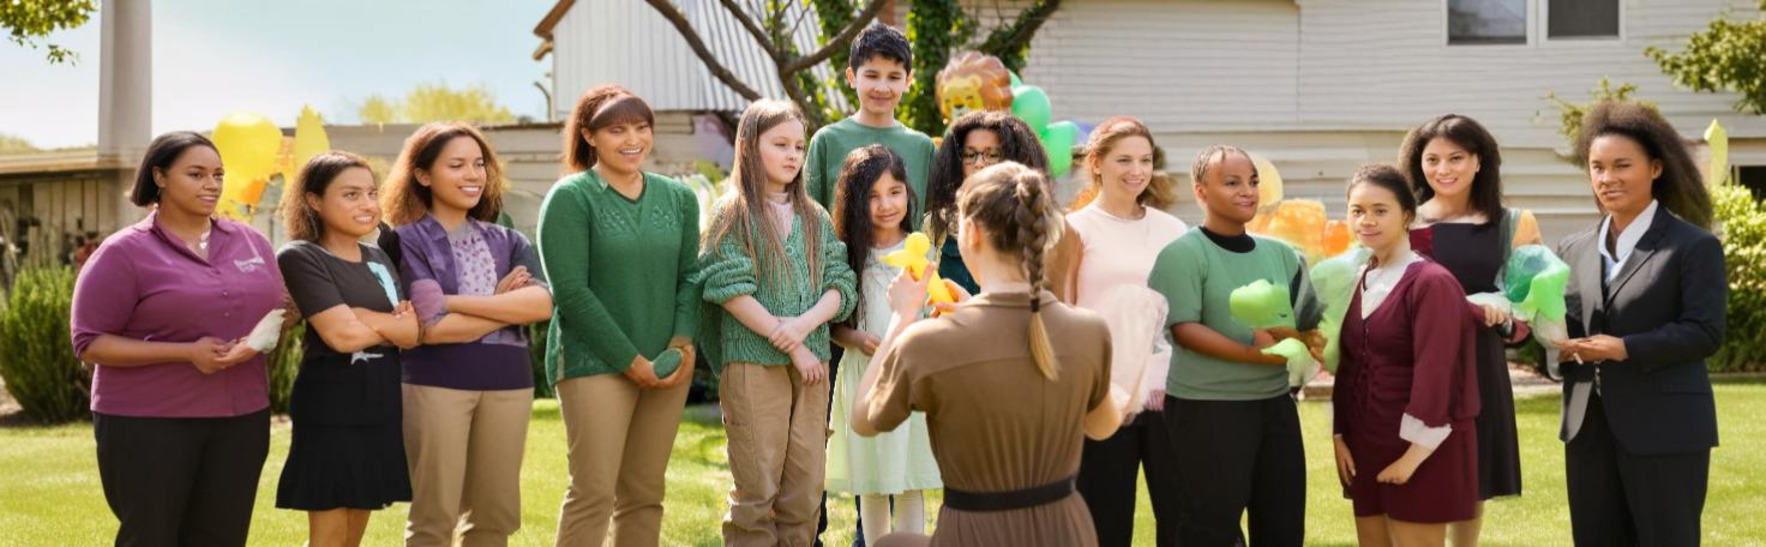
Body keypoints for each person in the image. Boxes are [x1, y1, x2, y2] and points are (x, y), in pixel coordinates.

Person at [851, 161, 1129, 546]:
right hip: (1066, 531)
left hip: (975, 534)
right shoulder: (1090, 330)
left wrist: (901, 319)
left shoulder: (928, 343)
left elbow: (864, 419)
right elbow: (1102, 426)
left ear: (971, 232)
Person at [70, 131, 287, 546]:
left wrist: (261, 337)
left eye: (218, 174)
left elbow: (279, 306)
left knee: (222, 537)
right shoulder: (123, 252)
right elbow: (90, 342)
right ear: (160, 176)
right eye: (196, 173)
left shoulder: (251, 240)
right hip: (148, 422)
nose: (212, 184)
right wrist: (187, 353)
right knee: (152, 536)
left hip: (241, 417)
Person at [1555, 100, 1724, 546]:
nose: (1607, 178)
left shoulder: (1693, 246)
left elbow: (1705, 331)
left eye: (1621, 165)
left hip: (1666, 429)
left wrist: (1625, 347)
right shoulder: (1572, 249)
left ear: (1655, 168)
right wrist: (1532, 334)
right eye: (1597, 167)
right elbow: (1561, 330)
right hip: (1587, 429)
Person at [540, 85, 701, 546]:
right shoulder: (571, 198)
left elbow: (690, 275)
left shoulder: (679, 199)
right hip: (594, 363)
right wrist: (632, 362)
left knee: (645, 492)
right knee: (593, 492)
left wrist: (681, 342)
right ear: (590, 136)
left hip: (668, 362)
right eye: (617, 129)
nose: (632, 139)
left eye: (641, 127)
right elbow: (570, 291)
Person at [382, 121, 555, 547]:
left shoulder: (509, 239)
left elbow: (542, 305)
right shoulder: (403, 241)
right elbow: (431, 328)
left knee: (495, 515)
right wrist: (503, 306)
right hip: (434, 384)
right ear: (423, 175)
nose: (473, 175)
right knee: (434, 515)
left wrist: (454, 301)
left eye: (479, 164)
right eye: (456, 165)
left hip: (509, 384)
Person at [697, 99, 857, 546]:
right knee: (757, 493)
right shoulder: (733, 214)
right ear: (748, 146)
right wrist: (791, 342)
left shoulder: (815, 217)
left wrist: (804, 328)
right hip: (754, 364)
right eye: (780, 144)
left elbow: (840, 284)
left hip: (812, 368)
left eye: (799, 147)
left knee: (804, 494)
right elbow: (728, 288)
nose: (792, 155)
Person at [1146, 145, 1322, 546]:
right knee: (1211, 526)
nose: (1247, 191)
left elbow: (1308, 324)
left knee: (1282, 521)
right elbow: (1184, 328)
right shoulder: (1184, 254)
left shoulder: (1282, 255)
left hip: (1274, 406)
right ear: (1201, 191)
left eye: (1253, 181)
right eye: (1232, 183)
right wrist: (1253, 354)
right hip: (1207, 409)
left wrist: (1300, 341)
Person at [1397, 114, 1534, 543]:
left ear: (1479, 161)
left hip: (1479, 361)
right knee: (1419, 467)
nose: (1443, 169)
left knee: (1472, 475)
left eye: (1456, 158)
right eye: (1432, 159)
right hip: (1413, 362)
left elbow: (1531, 307)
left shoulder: (1514, 223)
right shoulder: (1403, 223)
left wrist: (1506, 315)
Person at [274, 151, 419, 547]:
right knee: (329, 536)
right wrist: (384, 324)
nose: (368, 204)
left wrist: (360, 316)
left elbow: (411, 333)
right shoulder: (302, 256)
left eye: (372, 193)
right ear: (315, 201)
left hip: (381, 405)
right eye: (351, 195)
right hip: (331, 410)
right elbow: (342, 337)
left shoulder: (379, 258)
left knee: (353, 535)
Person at [1332, 163, 1481, 547]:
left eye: (1380, 210)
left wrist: (1414, 457)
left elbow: (1441, 373)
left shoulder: (1432, 283)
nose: (1367, 220)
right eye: (1357, 211)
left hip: (1421, 448)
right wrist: (1339, 435)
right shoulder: (1360, 277)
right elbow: (1349, 365)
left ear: (1407, 217)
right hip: (1365, 445)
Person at [1054, 116, 1185, 546]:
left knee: (1182, 516)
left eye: (1145, 160)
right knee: (1104, 519)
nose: (1137, 171)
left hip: (1168, 392)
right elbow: (1063, 311)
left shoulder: (1172, 230)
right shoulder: (1075, 229)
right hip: (1103, 393)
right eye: (1124, 160)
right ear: (1096, 163)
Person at [826, 145, 943, 545]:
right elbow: (835, 326)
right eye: (872, 196)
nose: (885, 204)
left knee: (910, 476)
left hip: (910, 377)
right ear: (856, 201)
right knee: (872, 480)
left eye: (893, 192)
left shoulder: (919, 248)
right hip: (864, 376)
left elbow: (933, 308)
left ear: (906, 193)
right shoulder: (847, 253)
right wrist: (856, 338)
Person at [805, 21, 936, 222]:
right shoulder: (826, 141)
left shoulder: (923, 148)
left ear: (908, 81)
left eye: (893, 77)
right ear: (852, 77)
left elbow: (935, 223)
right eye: (872, 75)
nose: (882, 87)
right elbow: (807, 218)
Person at [923, 111, 1049, 295]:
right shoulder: (936, 224)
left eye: (992, 155)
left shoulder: (1036, 219)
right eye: (969, 154)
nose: (979, 163)